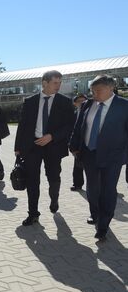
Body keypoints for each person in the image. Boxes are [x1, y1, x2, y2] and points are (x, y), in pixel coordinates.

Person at [69, 75, 128, 240]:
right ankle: (95, 214)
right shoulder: (88, 104)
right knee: (93, 189)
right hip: (89, 153)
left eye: (98, 91)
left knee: (108, 190)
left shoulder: (124, 106)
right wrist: (73, 146)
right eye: (92, 91)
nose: (94, 94)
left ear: (111, 88)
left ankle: (103, 225)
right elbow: (79, 126)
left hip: (112, 156)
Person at [15, 70, 75, 226]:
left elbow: (70, 125)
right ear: (45, 83)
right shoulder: (30, 101)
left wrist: (52, 136)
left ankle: (54, 199)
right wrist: (17, 147)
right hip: (32, 146)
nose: (58, 86)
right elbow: (22, 125)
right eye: (55, 82)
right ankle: (33, 214)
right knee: (32, 180)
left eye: (60, 82)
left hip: (53, 146)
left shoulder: (65, 102)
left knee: (53, 177)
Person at [70, 94, 87, 191]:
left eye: (84, 100)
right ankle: (77, 184)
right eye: (79, 101)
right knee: (77, 166)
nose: (82, 103)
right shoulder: (73, 115)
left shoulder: (91, 113)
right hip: (78, 145)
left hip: (89, 143)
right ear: (75, 103)